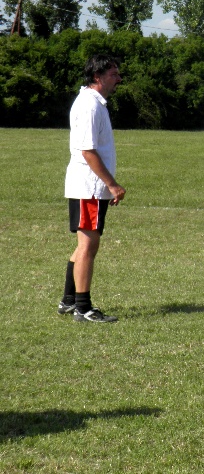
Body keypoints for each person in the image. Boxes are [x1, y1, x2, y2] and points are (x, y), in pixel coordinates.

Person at [61, 54, 126, 323]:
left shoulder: (95, 103)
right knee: (88, 245)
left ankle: (68, 300)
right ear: (97, 76)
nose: (119, 79)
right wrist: (112, 184)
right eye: (113, 74)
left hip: (91, 187)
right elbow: (87, 151)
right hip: (89, 187)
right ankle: (83, 308)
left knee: (85, 245)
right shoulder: (90, 105)